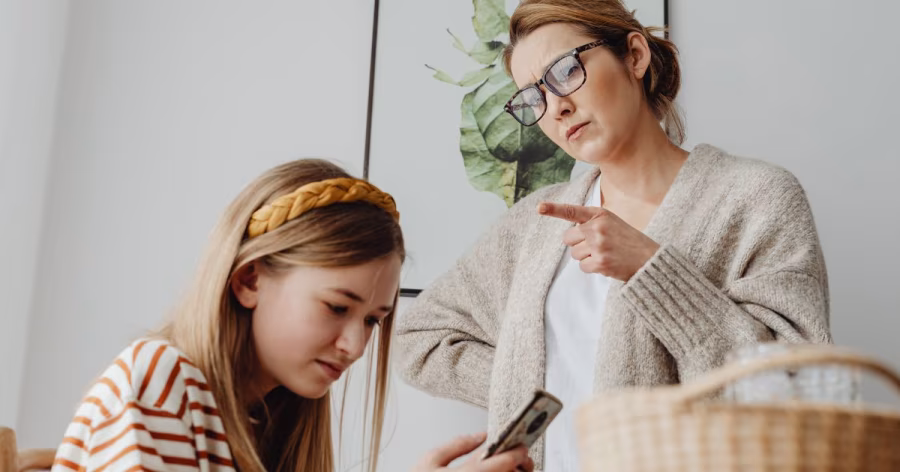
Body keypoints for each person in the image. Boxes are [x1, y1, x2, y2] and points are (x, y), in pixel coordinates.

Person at [394, 0, 832, 470]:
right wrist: (528, 385)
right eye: (533, 98)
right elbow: (420, 338)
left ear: (635, 56)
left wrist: (652, 270)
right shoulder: (534, 225)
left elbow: (797, 391)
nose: (556, 107)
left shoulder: (756, 197)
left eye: (565, 71)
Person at [51, 159, 534, 472]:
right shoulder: (160, 382)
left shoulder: (272, 425)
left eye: (373, 320)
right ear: (249, 280)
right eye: (337, 307)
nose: (355, 346)